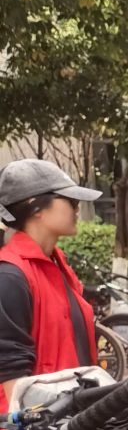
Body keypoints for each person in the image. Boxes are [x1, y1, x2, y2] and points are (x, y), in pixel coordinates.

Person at [0, 160, 100, 385]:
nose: (77, 209)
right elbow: (10, 378)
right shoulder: (11, 277)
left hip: (74, 414)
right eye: (71, 200)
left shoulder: (57, 264)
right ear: (35, 207)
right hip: (39, 418)